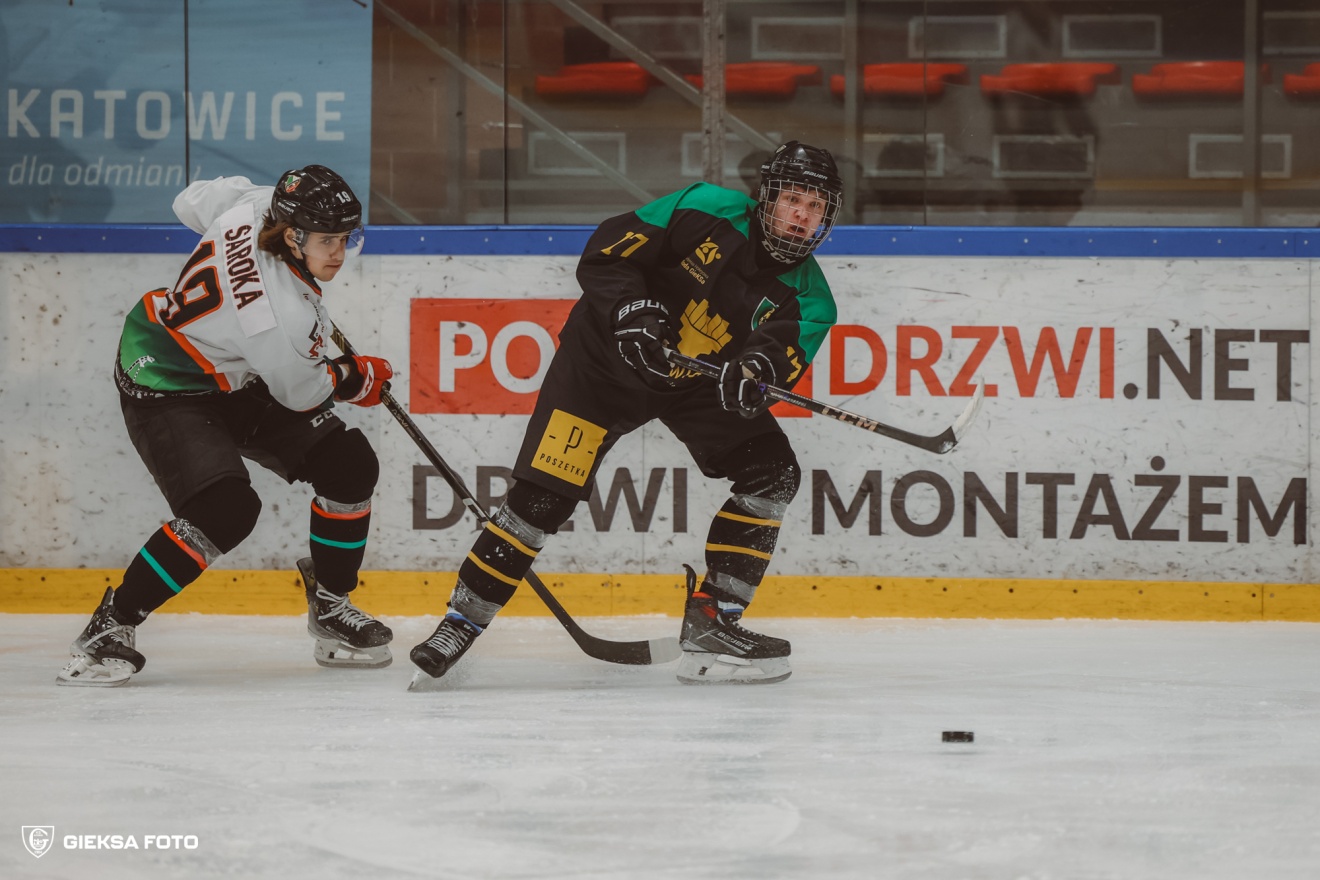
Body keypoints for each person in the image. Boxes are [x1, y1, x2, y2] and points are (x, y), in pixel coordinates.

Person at [410, 142, 844, 686]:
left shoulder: (812, 300)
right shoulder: (703, 208)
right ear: (768, 197)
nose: (802, 215)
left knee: (772, 472)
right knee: (542, 498)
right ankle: (459, 624)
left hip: (693, 383)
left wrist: (753, 375)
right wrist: (630, 308)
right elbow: (608, 253)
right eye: (793, 199)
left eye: (816, 206)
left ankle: (715, 619)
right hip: (601, 368)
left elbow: (778, 360)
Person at [57, 165, 396, 686]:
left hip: (234, 371)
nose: (339, 252)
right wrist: (354, 377)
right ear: (291, 236)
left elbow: (189, 202)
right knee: (225, 509)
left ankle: (331, 605)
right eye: (326, 240)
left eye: (345, 237)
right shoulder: (281, 316)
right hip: (166, 380)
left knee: (348, 466)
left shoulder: (253, 205)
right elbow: (302, 393)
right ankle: (110, 626)